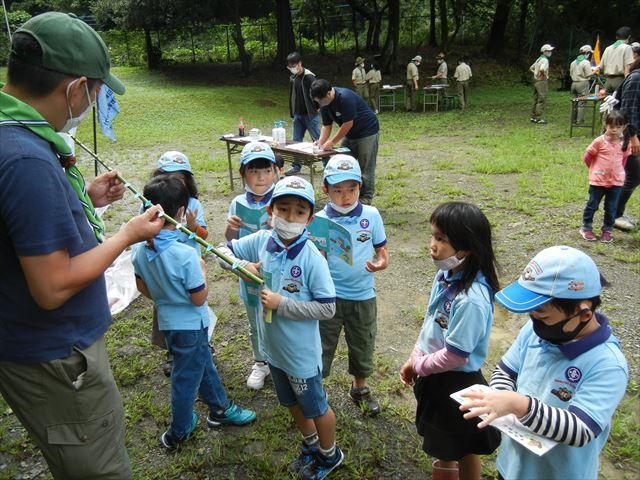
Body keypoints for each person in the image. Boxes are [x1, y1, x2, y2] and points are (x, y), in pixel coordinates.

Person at [0, 12, 165, 479]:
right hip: (57, 358)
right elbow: (51, 286)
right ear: (75, 89)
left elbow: (19, 225)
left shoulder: (12, 136)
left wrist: (82, 198)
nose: (95, 100)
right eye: (95, 90)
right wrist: (126, 236)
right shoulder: (26, 159)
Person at [460, 246, 628, 480]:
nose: (534, 321)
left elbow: (581, 429)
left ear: (584, 314)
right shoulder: (534, 331)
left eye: (542, 314)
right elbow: (506, 371)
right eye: (532, 313)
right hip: (513, 464)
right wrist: (501, 398)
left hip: (559, 473)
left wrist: (520, 405)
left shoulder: (607, 364)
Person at [217, 177, 344, 480]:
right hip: (272, 350)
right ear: (271, 210)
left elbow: (328, 308)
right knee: (291, 403)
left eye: (298, 212)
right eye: (283, 209)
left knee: (316, 407)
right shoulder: (262, 241)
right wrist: (240, 265)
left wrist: (282, 304)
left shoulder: (312, 258)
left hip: (300, 355)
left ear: (309, 219)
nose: (289, 218)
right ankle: (312, 445)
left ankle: (330, 455)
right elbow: (220, 249)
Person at [132, 176, 256, 449]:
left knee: (202, 364)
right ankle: (178, 430)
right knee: (185, 378)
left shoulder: (140, 247)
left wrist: (165, 297)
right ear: (179, 212)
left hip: (168, 321)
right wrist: (201, 268)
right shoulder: (185, 255)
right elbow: (199, 298)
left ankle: (220, 409)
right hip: (190, 324)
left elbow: (142, 286)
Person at [399, 202, 501, 480]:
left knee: (453, 449)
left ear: (466, 249)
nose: (432, 245)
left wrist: (419, 365)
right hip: (436, 374)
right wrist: (414, 355)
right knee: (460, 446)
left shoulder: (471, 300)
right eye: (433, 235)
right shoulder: (445, 276)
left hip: (455, 382)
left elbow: (455, 355)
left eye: (441, 239)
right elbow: (431, 324)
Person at [315, 155, 389, 416]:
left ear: (360, 187)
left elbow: (382, 250)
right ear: (325, 189)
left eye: (352, 189)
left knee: (362, 343)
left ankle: (360, 388)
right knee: (322, 344)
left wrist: (380, 263)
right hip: (328, 297)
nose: (345, 196)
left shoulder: (371, 215)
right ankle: (317, 391)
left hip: (363, 294)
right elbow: (315, 259)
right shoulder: (319, 220)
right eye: (337, 190)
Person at [149, 151, 209, 376]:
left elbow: (204, 236)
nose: (174, 183)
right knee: (166, 308)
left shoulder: (193, 204)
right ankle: (173, 352)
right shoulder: (150, 204)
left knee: (197, 305)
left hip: (189, 267)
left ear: (187, 182)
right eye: (169, 177)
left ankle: (204, 343)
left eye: (180, 179)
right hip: (164, 267)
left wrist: (193, 227)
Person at [225, 142, 279, 389]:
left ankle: (279, 361)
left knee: (277, 318)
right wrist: (231, 228)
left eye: (266, 170)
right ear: (243, 173)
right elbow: (229, 242)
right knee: (254, 320)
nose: (261, 177)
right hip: (249, 273)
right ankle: (260, 362)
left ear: (276, 172)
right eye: (254, 171)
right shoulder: (238, 203)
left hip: (278, 273)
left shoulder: (283, 197)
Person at [310, 79, 380, 205]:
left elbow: (348, 123)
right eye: (317, 101)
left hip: (367, 131)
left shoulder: (345, 98)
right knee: (343, 162)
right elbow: (326, 125)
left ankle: (366, 198)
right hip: (350, 134)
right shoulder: (325, 104)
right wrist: (320, 143)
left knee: (366, 167)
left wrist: (332, 142)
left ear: (329, 94)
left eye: (320, 100)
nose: (319, 103)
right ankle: (348, 195)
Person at [579, 111, 629, 243]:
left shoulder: (625, 143)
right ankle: (586, 227)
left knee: (611, 207)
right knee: (592, 205)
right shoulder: (599, 141)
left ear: (624, 127)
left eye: (618, 127)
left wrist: (619, 172)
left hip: (616, 182)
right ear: (605, 125)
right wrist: (595, 170)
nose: (614, 129)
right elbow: (587, 157)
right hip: (598, 182)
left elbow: (624, 160)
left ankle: (607, 230)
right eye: (611, 126)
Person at [613, 53, 640, 231]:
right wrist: (633, 137)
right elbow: (626, 111)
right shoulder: (636, 78)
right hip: (628, 136)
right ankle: (614, 215)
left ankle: (616, 213)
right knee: (634, 174)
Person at [285, 52, 321, 176]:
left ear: (300, 63)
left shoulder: (309, 76)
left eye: (294, 65)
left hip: (310, 115)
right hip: (298, 115)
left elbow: (318, 93)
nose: (292, 68)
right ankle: (296, 166)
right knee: (296, 142)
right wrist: (293, 112)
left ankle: (328, 165)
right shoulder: (293, 77)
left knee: (318, 140)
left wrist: (317, 108)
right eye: (290, 66)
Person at [599, 26, 634, 94]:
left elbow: (601, 67)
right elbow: (627, 67)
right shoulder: (627, 48)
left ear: (616, 37)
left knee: (608, 103)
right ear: (629, 37)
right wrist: (628, 83)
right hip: (620, 80)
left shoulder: (608, 48)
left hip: (608, 81)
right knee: (620, 103)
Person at [529, 44, 554, 124]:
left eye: (550, 50)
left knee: (535, 99)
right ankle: (538, 118)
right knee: (541, 100)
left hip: (536, 81)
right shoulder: (545, 60)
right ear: (544, 52)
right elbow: (542, 69)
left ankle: (533, 117)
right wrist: (545, 75)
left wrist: (536, 74)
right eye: (549, 51)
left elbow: (531, 68)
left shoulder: (539, 59)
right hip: (542, 81)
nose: (550, 52)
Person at [570, 45, 595, 124]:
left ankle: (573, 120)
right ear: (587, 53)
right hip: (583, 84)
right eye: (590, 53)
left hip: (573, 83)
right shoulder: (586, 62)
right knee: (582, 102)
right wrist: (595, 70)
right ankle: (579, 121)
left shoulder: (573, 62)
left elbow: (570, 73)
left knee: (574, 102)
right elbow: (588, 74)